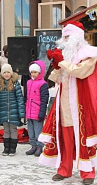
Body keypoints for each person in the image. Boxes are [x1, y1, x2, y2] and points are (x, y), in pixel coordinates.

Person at [38, 21, 97, 185]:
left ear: (77, 37)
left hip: (81, 104)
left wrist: (62, 61)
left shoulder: (89, 53)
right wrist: (56, 66)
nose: (65, 40)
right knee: (64, 139)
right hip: (63, 104)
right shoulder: (66, 55)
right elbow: (57, 78)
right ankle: (64, 169)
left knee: (83, 139)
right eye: (64, 37)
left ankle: (87, 172)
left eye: (68, 36)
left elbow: (81, 71)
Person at [0, 64, 25, 156]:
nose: (6, 74)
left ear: (11, 73)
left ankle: (13, 148)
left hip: (13, 111)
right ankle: (6, 147)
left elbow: (19, 98)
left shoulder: (15, 84)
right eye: (4, 72)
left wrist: (21, 113)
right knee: (6, 130)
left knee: (13, 129)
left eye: (8, 72)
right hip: (3, 111)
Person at [25, 60, 49, 157]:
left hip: (37, 110)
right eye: (32, 72)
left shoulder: (43, 84)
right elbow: (26, 96)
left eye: (35, 72)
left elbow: (44, 100)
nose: (33, 74)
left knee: (38, 130)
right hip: (29, 110)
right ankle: (33, 145)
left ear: (40, 72)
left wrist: (41, 113)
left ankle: (40, 146)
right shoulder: (28, 82)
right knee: (30, 130)